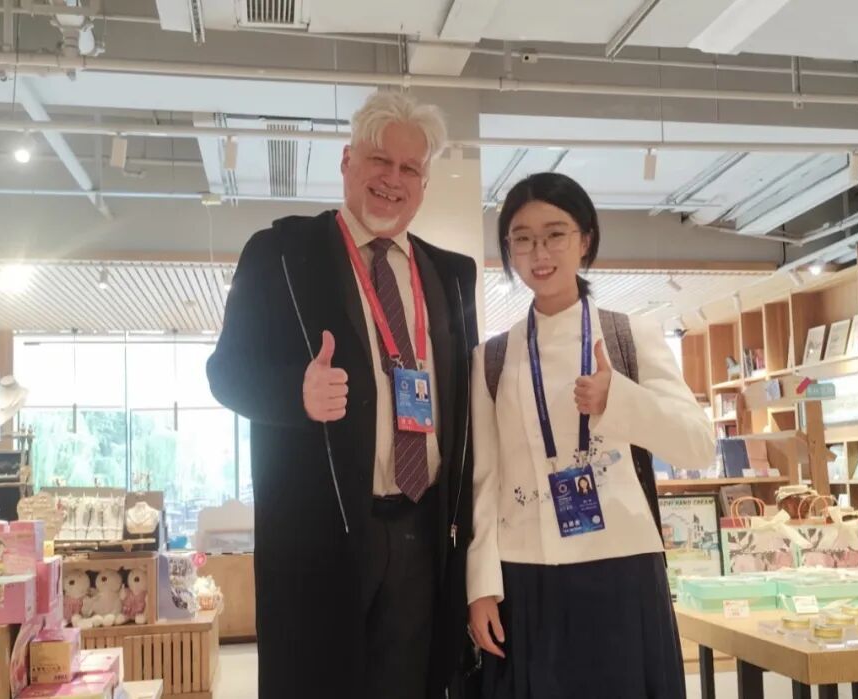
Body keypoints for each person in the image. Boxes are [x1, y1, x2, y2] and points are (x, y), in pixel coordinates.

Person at [207, 90, 479, 699]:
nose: (392, 179)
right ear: (347, 161)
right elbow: (226, 372)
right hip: (320, 534)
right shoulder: (281, 253)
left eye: (410, 168)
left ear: (425, 184)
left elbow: (464, 407)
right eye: (379, 159)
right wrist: (296, 394)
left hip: (422, 529)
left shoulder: (451, 274)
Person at [466, 172, 715, 699]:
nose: (539, 252)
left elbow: (697, 445)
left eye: (555, 233)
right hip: (524, 574)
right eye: (522, 238)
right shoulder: (492, 357)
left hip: (621, 568)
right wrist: (481, 586)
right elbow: (485, 481)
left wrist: (617, 399)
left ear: (585, 239)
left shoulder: (630, 335)